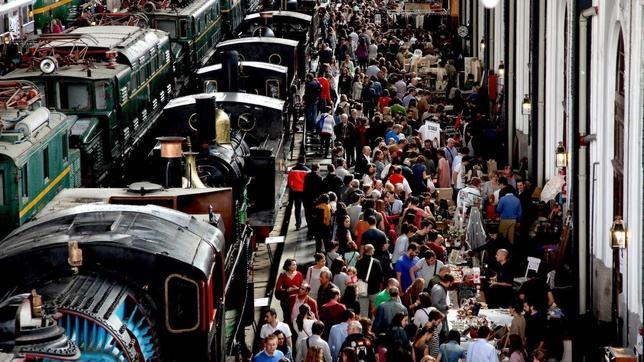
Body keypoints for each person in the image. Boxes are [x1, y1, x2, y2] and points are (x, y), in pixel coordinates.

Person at [288, 159, 311, 230]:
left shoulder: (292, 170)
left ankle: (298, 224)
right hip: (305, 192)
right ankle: (308, 222)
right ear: (304, 162)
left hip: (296, 192)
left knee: (297, 208)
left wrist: (293, 188)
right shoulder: (308, 171)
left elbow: (289, 181)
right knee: (307, 208)